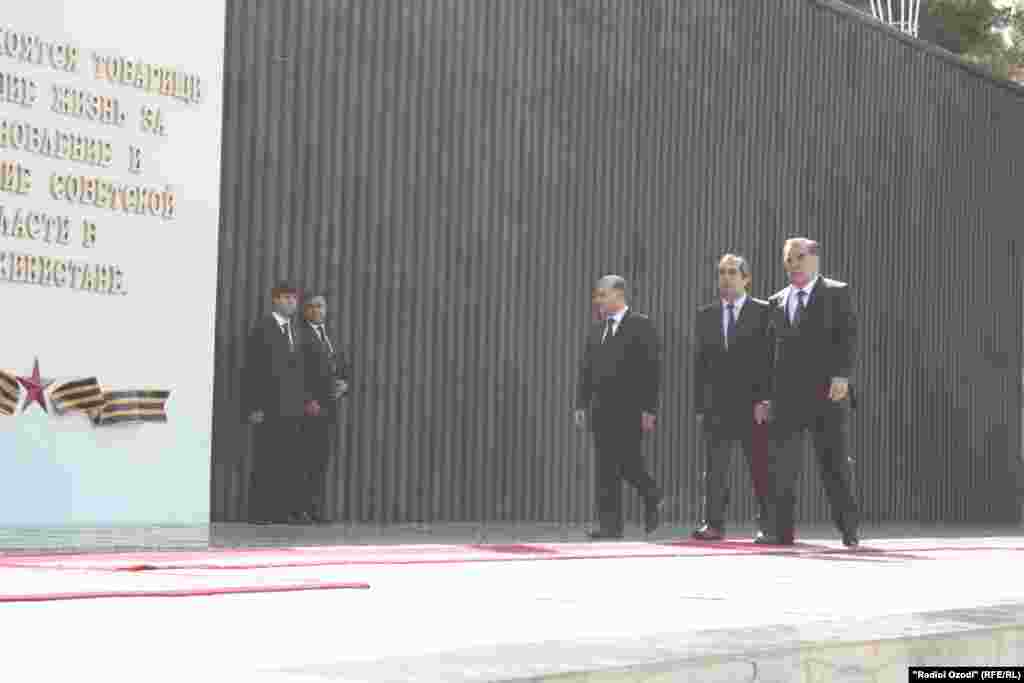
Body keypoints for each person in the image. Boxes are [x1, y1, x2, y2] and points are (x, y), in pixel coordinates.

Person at [759, 238, 860, 547]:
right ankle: (781, 532)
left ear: (814, 259)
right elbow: (768, 354)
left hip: (825, 395)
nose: (793, 264)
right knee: (782, 468)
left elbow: (847, 336)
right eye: (788, 259)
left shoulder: (836, 292)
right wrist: (765, 396)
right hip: (786, 398)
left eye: (799, 257)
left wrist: (842, 375)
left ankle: (848, 529)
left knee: (834, 466)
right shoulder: (776, 301)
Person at [575, 275, 664, 539]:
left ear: (618, 294)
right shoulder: (597, 330)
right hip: (601, 410)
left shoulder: (640, 325)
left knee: (628, 465)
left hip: (630, 410)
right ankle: (610, 526)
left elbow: (651, 370)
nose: (598, 300)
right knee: (605, 469)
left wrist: (649, 409)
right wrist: (581, 404)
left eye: (602, 295)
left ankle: (651, 493)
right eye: (597, 296)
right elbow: (586, 370)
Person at [692, 254, 773, 541]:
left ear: (746, 279)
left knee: (761, 469)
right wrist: (700, 406)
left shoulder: (764, 312)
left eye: (732, 273)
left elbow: (772, 360)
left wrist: (766, 399)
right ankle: (713, 525)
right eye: (721, 273)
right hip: (717, 407)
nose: (725, 278)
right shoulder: (706, 315)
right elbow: (701, 364)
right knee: (714, 470)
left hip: (754, 406)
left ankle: (769, 526)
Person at [242, 282, 317, 524]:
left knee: (287, 461)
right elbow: (252, 369)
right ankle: (260, 512)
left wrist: (305, 400)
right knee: (266, 460)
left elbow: (298, 372)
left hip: (291, 408)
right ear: (275, 300)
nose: (291, 302)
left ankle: (281, 511)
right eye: (286, 298)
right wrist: (253, 406)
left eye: (294, 299)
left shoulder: (294, 331)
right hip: (268, 407)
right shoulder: (263, 329)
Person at [297, 292, 349, 523]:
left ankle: (315, 509)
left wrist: (344, 383)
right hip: (310, 408)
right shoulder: (300, 335)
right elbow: (297, 372)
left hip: (329, 407)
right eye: (313, 306)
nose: (318, 310)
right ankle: (300, 510)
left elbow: (341, 365)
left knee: (321, 460)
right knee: (304, 459)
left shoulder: (329, 335)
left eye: (321, 306)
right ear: (305, 310)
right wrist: (308, 399)